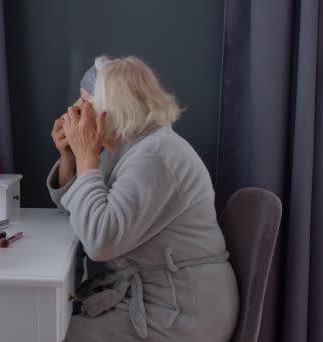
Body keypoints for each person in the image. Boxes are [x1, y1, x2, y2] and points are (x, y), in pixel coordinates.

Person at [47, 56, 239, 341]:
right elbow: (80, 216)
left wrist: (87, 157)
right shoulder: (127, 151)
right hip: (158, 297)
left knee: (52, 333)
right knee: (51, 325)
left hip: (182, 311)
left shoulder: (156, 157)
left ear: (109, 110)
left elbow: (99, 241)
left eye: (85, 102)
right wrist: (71, 159)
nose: (74, 110)